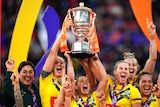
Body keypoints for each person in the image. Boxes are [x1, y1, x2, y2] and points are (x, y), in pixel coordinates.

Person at [39, 13, 73, 107]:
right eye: (56, 63)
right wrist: (64, 30)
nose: (59, 64)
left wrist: (69, 59)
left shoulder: (68, 81)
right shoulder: (46, 79)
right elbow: (53, 52)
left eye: (62, 63)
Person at [123, 18, 157, 85]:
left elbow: (153, 59)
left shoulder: (141, 80)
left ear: (137, 68)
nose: (131, 67)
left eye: (134, 65)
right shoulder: (114, 83)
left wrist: (152, 38)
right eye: (128, 65)